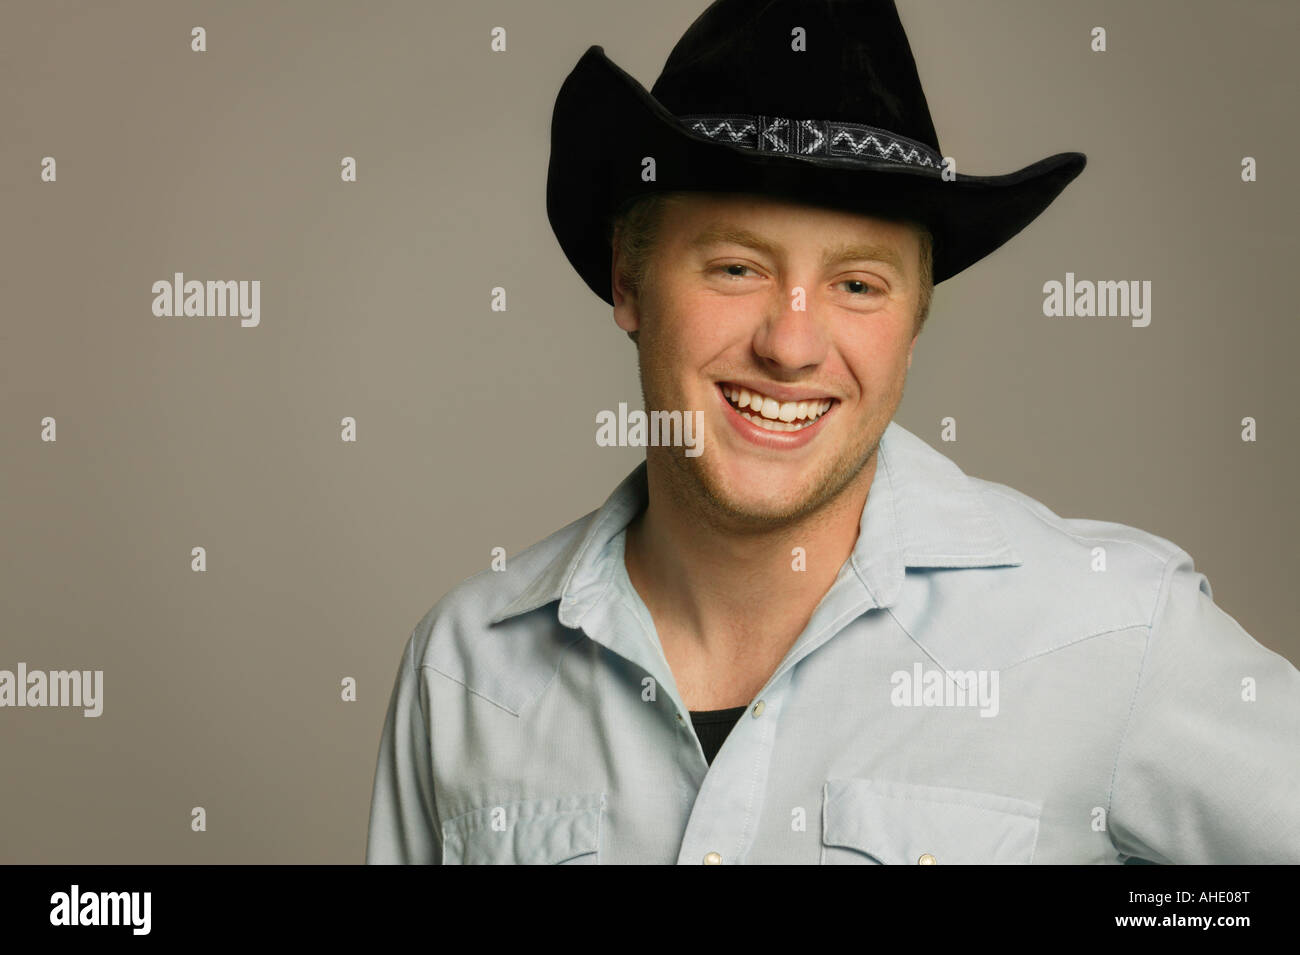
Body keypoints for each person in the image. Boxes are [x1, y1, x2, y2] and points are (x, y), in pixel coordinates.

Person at [366, 0, 1300, 864]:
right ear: (628, 282)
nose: (792, 343)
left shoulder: (1114, 632)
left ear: (915, 318)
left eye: (858, 284)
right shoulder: (464, 671)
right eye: (736, 267)